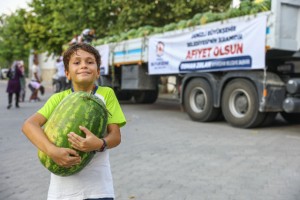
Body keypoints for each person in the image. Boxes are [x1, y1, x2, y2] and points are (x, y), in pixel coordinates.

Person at [22, 43, 126, 200]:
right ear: (67, 73)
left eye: (90, 62)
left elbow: (116, 136)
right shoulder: (58, 98)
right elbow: (29, 125)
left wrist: (99, 144)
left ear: (98, 72)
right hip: (62, 192)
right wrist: (52, 151)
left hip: (98, 189)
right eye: (77, 62)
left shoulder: (106, 95)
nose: (84, 66)